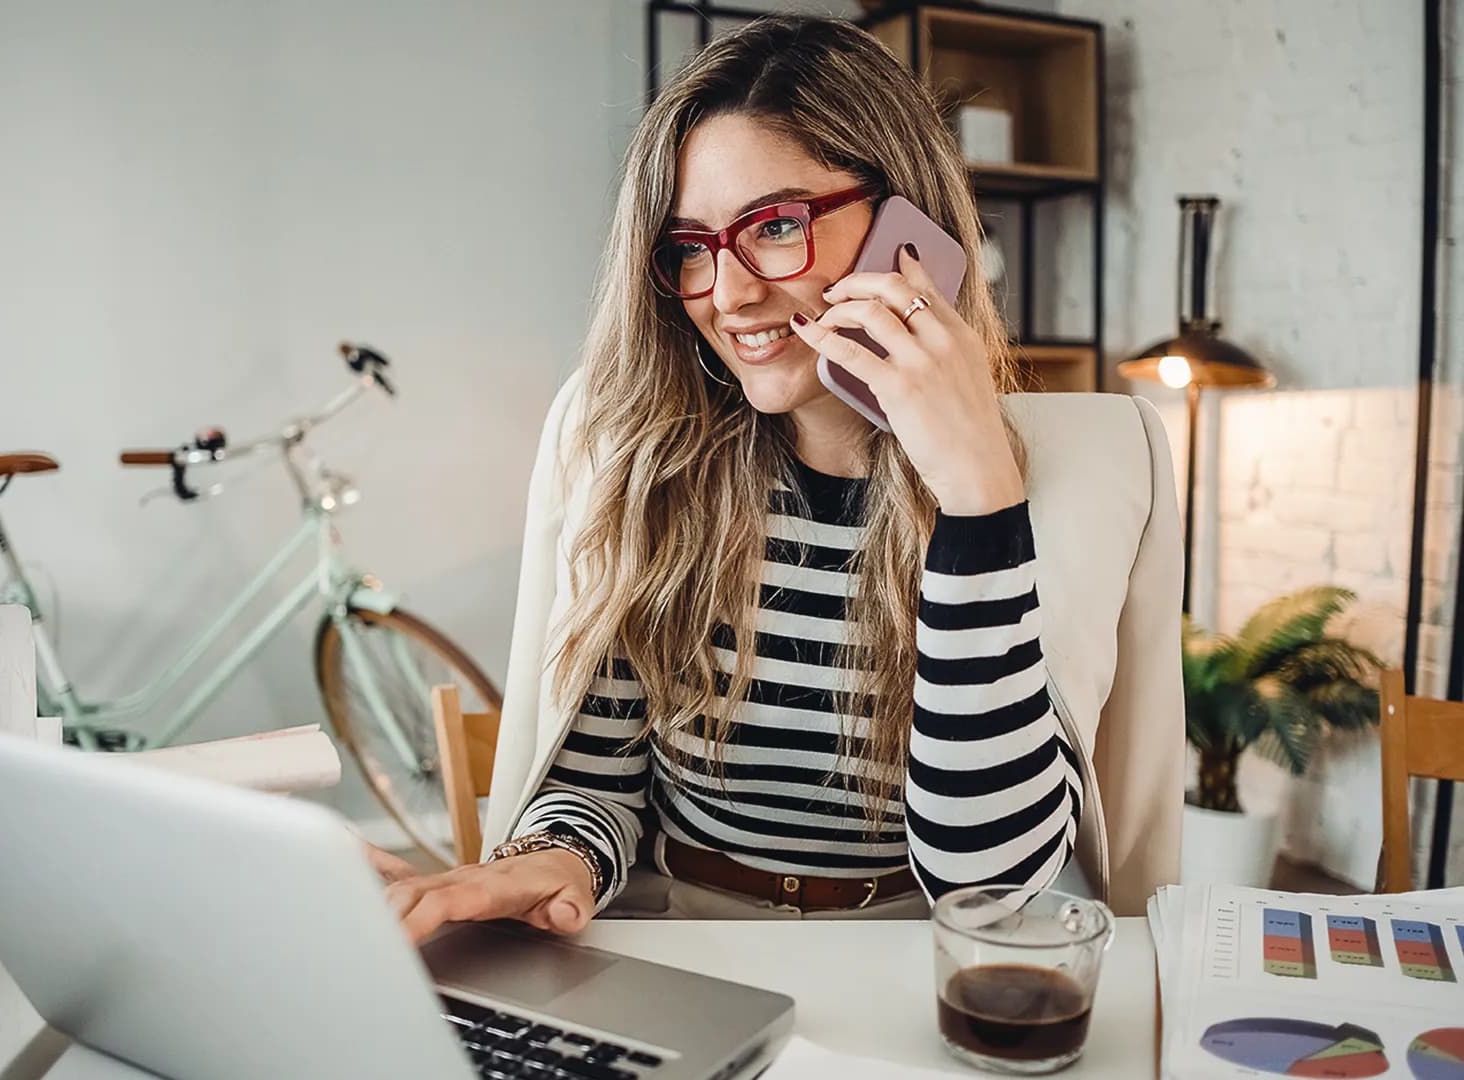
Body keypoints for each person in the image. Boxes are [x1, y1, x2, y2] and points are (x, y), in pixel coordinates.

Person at [380, 15, 1182, 942]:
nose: (728, 294)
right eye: (690, 245)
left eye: (775, 226)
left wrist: (976, 500)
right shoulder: (644, 453)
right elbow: (597, 784)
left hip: (916, 955)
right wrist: (554, 861)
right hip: (685, 932)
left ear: (907, 228)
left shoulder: (1081, 480)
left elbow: (990, 882)